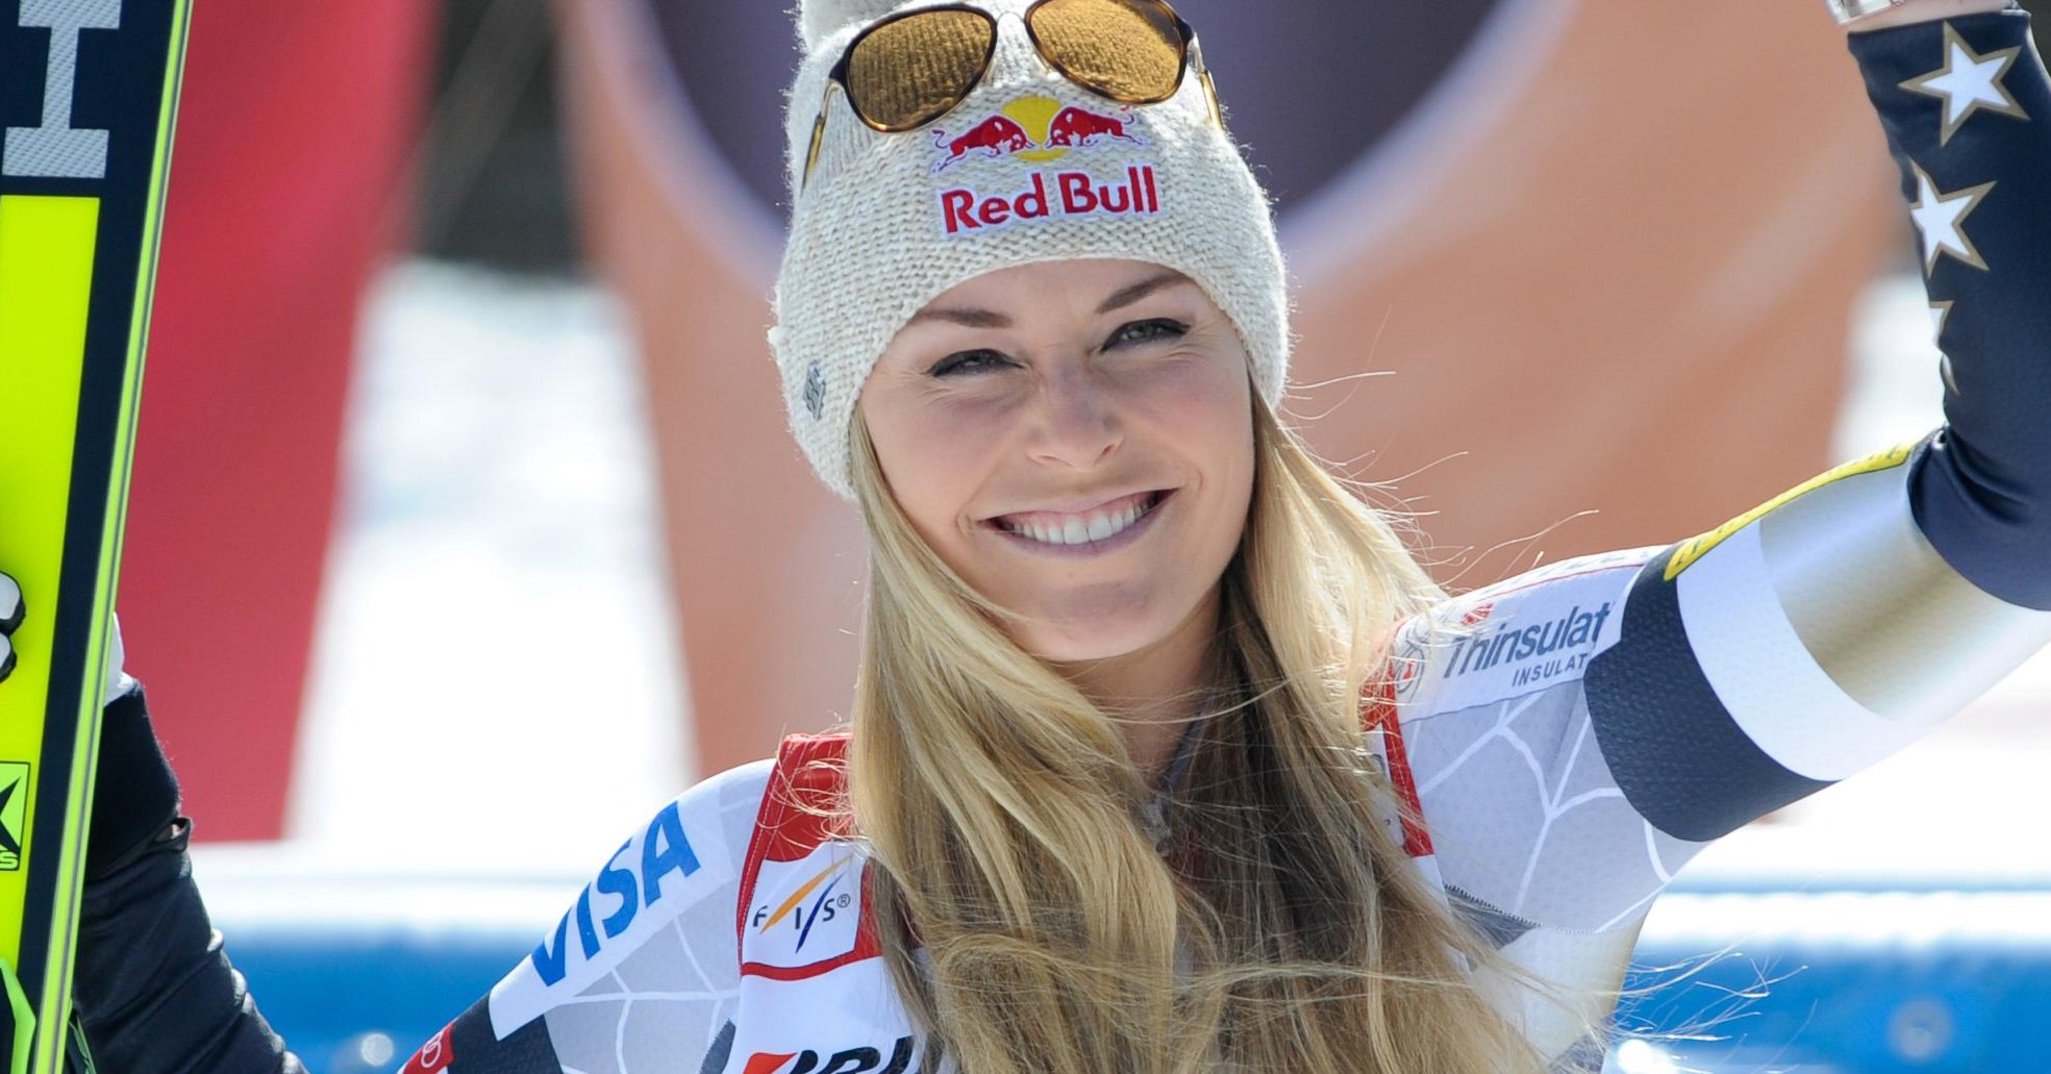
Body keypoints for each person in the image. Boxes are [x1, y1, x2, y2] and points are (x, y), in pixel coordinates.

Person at [2, 0, 2047, 1070]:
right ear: (856, 434)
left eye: (1147, 328)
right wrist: (64, 742)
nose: (1070, 426)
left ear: (1250, 371)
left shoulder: (1491, 764)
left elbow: (2014, 508)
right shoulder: (736, 895)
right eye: (963, 360)